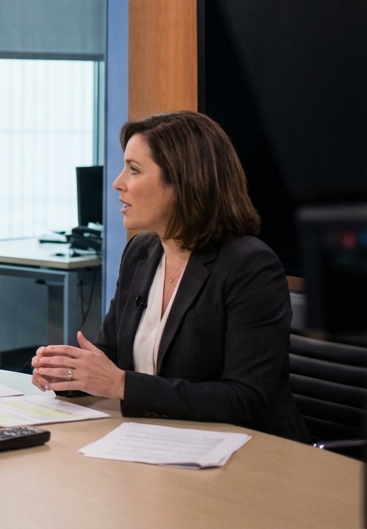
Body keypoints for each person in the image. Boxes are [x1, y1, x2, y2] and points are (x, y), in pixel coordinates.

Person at [31, 111, 311, 441]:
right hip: (158, 442)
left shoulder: (250, 266)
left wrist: (121, 384)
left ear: (182, 183)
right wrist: (70, 374)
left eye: (134, 170)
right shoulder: (141, 252)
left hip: (250, 455)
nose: (117, 182)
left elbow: (246, 400)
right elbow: (111, 356)